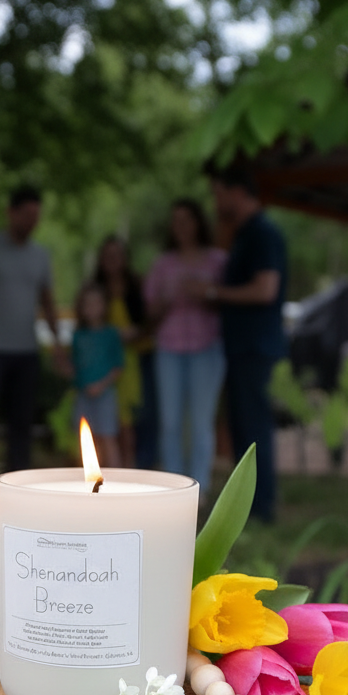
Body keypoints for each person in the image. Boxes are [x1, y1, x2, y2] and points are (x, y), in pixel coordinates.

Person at [0, 185, 65, 471]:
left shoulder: (40, 255)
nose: (32, 222)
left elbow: (48, 301)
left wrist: (56, 345)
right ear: (11, 213)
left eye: (36, 216)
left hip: (27, 350)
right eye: (27, 214)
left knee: (22, 421)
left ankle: (19, 476)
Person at [206, 166, 288, 523]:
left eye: (218, 193)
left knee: (253, 430)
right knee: (243, 428)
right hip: (242, 347)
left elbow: (265, 288)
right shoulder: (244, 234)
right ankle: (249, 510)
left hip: (256, 347)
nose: (216, 202)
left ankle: (261, 508)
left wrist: (212, 293)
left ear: (237, 192)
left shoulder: (262, 234)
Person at [144, 200, 227, 498]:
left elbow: (228, 302)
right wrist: (166, 302)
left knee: (202, 422)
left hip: (207, 348)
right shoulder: (162, 264)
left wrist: (206, 293)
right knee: (170, 422)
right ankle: (173, 488)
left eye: (187, 219)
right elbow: (149, 312)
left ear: (198, 222)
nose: (181, 226)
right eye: (175, 220)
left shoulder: (217, 260)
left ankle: (200, 488)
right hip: (169, 349)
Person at [92, 236, 156, 468]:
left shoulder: (138, 286)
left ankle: (139, 466)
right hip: (105, 366)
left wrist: (134, 333)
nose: (112, 260)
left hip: (137, 360)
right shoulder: (95, 290)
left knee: (141, 416)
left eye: (117, 255)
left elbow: (150, 323)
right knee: (111, 419)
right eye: (107, 255)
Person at [71, 285, 123, 467]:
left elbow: (118, 367)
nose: (92, 308)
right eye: (87, 304)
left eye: (96, 303)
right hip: (83, 395)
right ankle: (85, 477)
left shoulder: (111, 334)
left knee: (108, 437)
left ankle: (115, 479)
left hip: (105, 394)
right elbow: (75, 367)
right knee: (83, 437)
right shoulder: (78, 336)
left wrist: (101, 385)